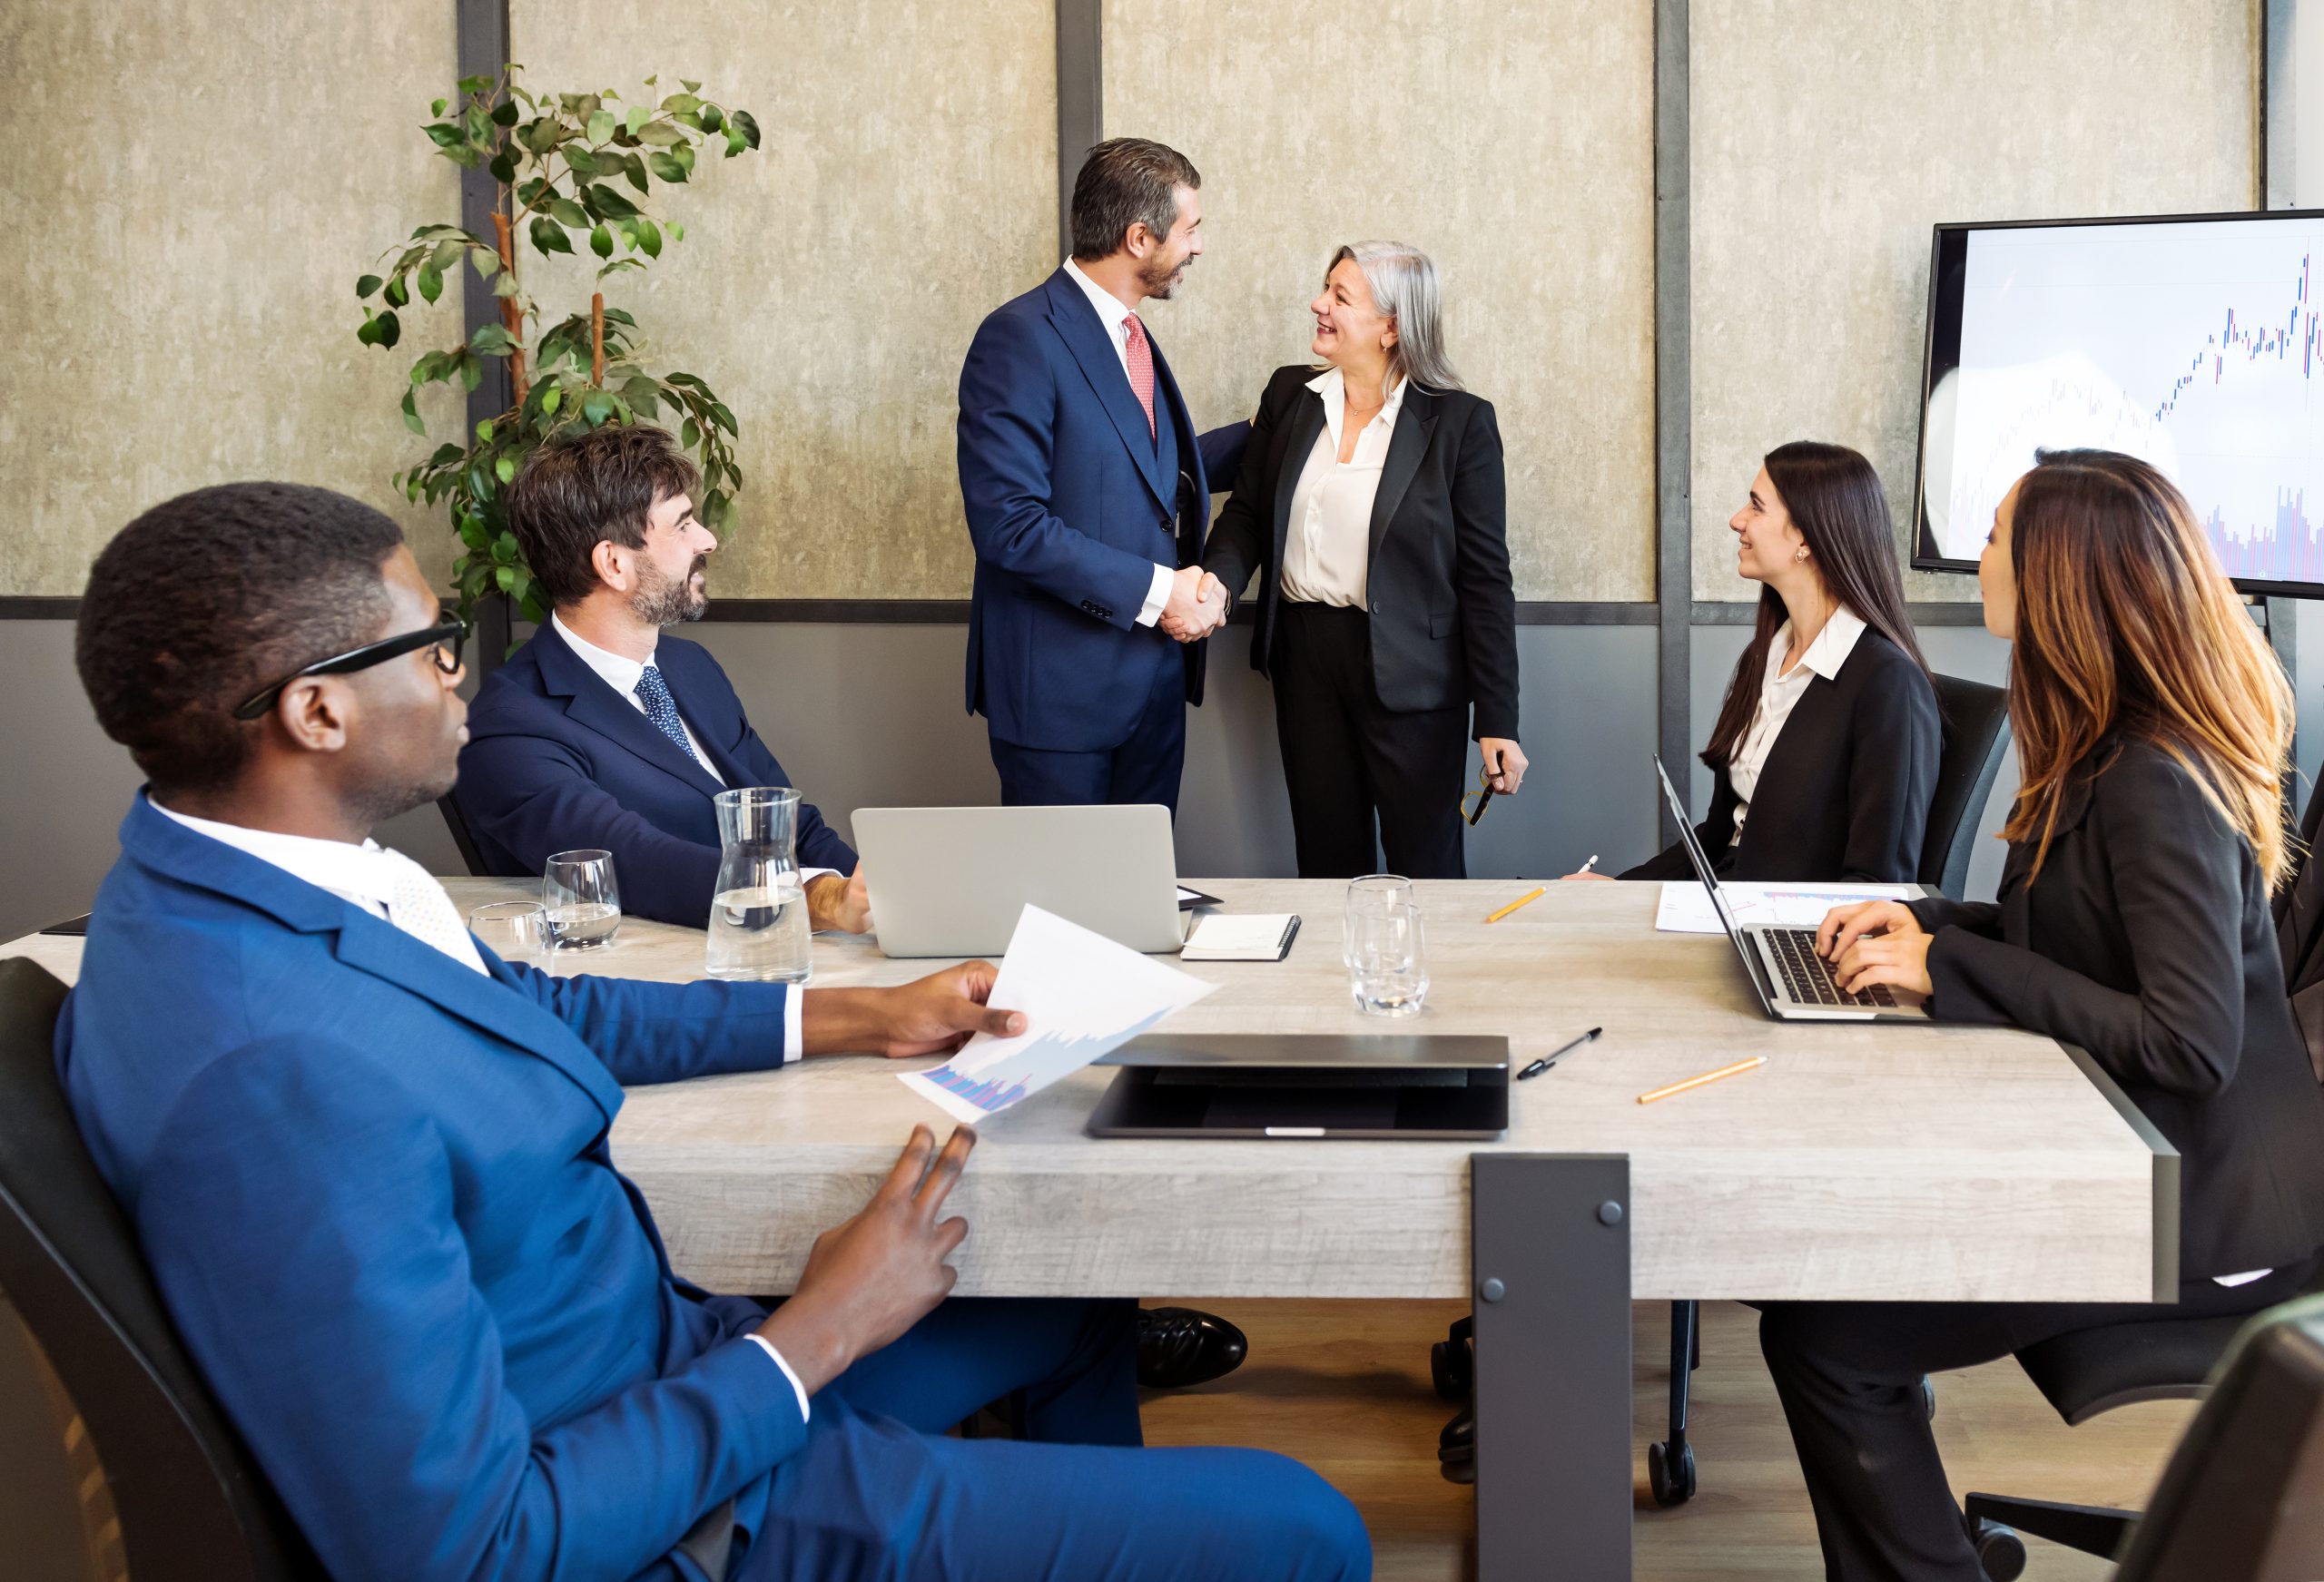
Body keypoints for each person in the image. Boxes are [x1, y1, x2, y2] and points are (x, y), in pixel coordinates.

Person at [60, 481, 1372, 1582]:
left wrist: (861, 1011)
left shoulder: (263, 880)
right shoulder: (267, 1069)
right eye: (431, 645)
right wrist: (819, 1328)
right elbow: (473, 1549)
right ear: (318, 709)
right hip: (683, 1504)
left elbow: (543, 1005)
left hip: (671, 1370)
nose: (463, 673)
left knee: (1069, 1305)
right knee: (1307, 1524)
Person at [1772, 449, 2324, 1582]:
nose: (1976, 556)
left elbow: (2186, 1040)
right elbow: (2069, 941)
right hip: (2127, 1158)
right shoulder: (2101, 740)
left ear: (2057, 578)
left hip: (2202, 1215)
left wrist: (1945, 970)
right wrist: (1920, 923)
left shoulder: (2152, 778)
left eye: (1993, 538)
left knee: (1829, 1338)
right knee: (1828, 1305)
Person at [458, 424, 871, 932]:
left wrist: (878, 891)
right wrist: (816, 898)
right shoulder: (510, 728)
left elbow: (787, 821)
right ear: (613, 563)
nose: (709, 540)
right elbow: (632, 860)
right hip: (658, 973)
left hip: (781, 944)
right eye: (682, 525)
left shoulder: (690, 667)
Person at [1202, 242, 1521, 879]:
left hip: (1413, 675)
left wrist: (1498, 720)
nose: (1319, 304)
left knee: (1424, 866)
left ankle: (1422, 982)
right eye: (1327, 288)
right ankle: (1334, 982)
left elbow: (1485, 581)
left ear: (1393, 326)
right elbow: (1247, 512)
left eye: (1341, 297)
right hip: (1306, 658)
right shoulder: (1290, 395)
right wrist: (1217, 584)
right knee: (1325, 859)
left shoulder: (1460, 423)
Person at [957, 136, 1250, 813]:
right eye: (1191, 229)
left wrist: (1287, 421)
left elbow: (1149, 475)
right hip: (1060, 703)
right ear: (1139, 237)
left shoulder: (1133, 335)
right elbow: (1010, 526)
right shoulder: (1019, 337)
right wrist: (1163, 591)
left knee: (1140, 910)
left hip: (1151, 691)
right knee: (1065, 917)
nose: (1199, 246)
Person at [1599, 441, 1938, 883]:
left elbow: (1878, 884)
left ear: (1806, 537)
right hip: (1725, 901)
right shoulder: (1764, 657)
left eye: (1757, 507)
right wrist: (1619, 891)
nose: (1736, 520)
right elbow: (1720, 834)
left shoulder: (1888, 685)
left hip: (1794, 930)